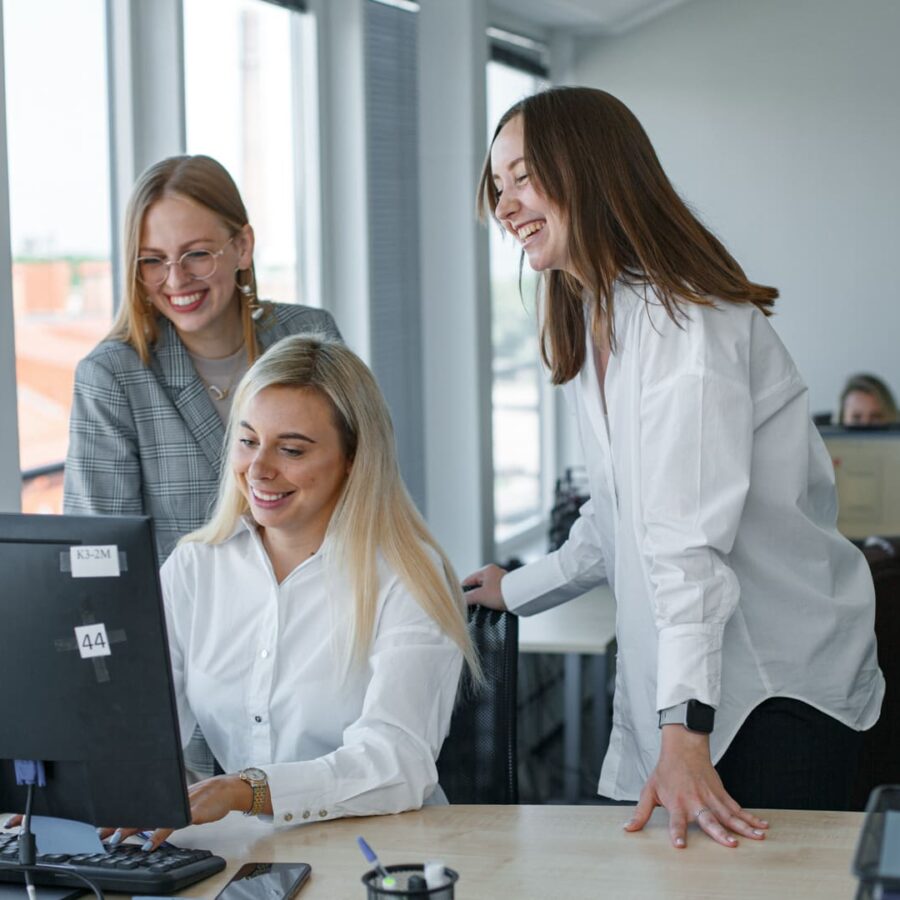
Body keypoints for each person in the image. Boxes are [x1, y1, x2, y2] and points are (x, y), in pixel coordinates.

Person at [464, 87, 883, 848]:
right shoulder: (603, 317)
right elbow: (620, 512)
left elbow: (687, 544)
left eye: (522, 176)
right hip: (701, 685)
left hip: (770, 688)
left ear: (589, 169)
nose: (506, 204)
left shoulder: (683, 324)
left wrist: (684, 732)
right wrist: (517, 588)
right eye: (498, 187)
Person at [108, 335, 476, 849]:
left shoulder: (408, 575)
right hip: (242, 853)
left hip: (382, 855)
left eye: (292, 449)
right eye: (248, 440)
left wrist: (247, 791)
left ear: (354, 458)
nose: (259, 470)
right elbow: (139, 719)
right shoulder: (196, 566)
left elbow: (397, 762)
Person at [63, 154, 341, 565]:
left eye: (196, 255)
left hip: (323, 610)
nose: (175, 280)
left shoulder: (310, 336)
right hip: (185, 628)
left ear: (242, 247)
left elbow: (365, 486)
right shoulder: (112, 376)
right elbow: (98, 560)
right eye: (153, 260)